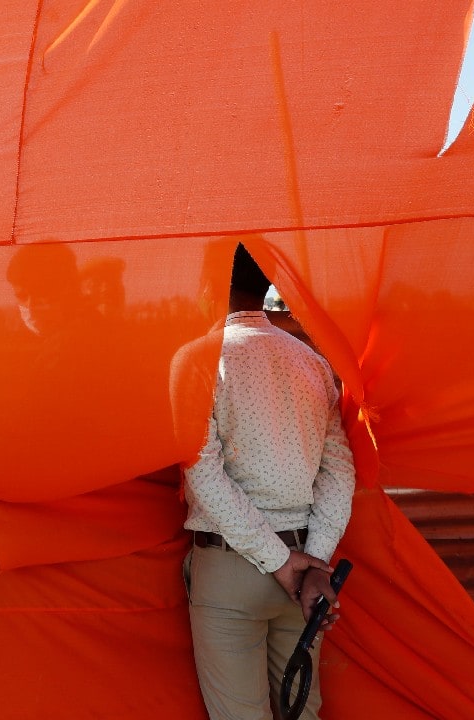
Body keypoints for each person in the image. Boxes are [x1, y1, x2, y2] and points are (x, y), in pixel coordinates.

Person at [181, 243, 355, 720]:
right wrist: (312, 564)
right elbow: (340, 471)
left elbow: (202, 473)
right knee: (303, 714)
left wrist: (278, 561)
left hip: (234, 568)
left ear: (207, 285)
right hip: (304, 579)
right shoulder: (312, 363)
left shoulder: (197, 361)